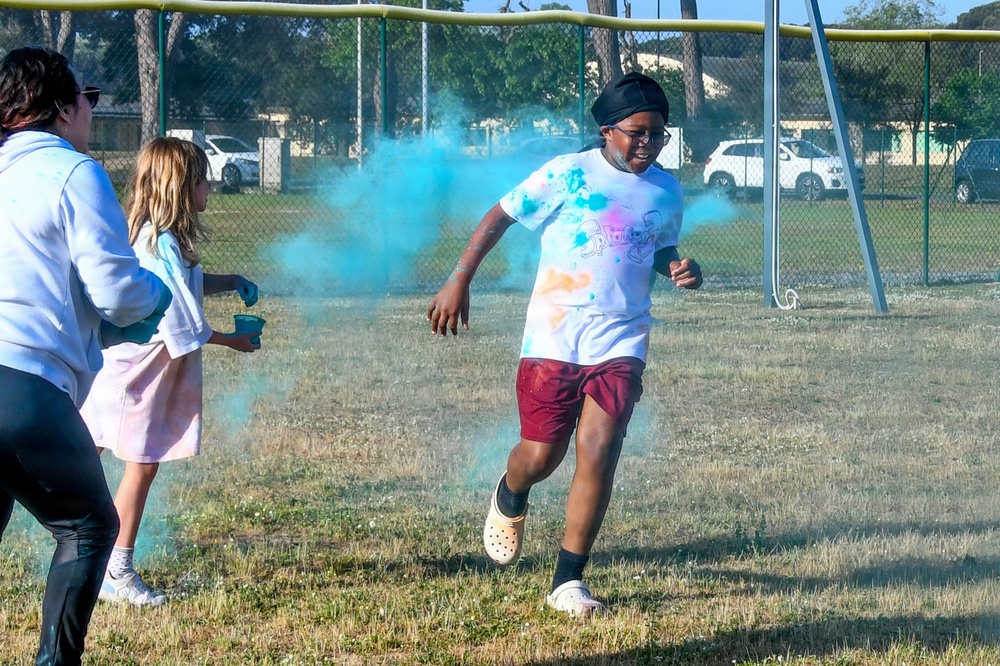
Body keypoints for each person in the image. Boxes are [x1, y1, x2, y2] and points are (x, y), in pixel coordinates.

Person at [426, 72, 702, 618]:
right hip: (555, 333)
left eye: (658, 135)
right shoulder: (569, 173)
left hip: (623, 334)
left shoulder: (668, 189)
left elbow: (659, 242)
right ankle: (512, 489)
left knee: (600, 448)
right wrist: (459, 277)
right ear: (607, 131)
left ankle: (568, 581)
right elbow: (500, 215)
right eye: (637, 133)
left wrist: (678, 265)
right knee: (541, 456)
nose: (648, 144)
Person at [0, 47, 171, 665]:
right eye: (88, 100)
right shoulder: (73, 171)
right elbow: (117, 290)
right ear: (62, 108)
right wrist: (156, 294)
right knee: (88, 526)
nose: (91, 112)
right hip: (21, 385)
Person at [80, 137, 261, 608]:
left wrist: (230, 281)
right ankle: (116, 569)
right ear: (183, 187)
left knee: (83, 452)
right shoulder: (159, 244)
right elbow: (181, 322)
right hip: (136, 376)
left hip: (119, 370)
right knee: (139, 464)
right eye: (203, 179)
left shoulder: (152, 236)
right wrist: (231, 340)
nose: (211, 187)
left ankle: (86, 552)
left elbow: (189, 283)